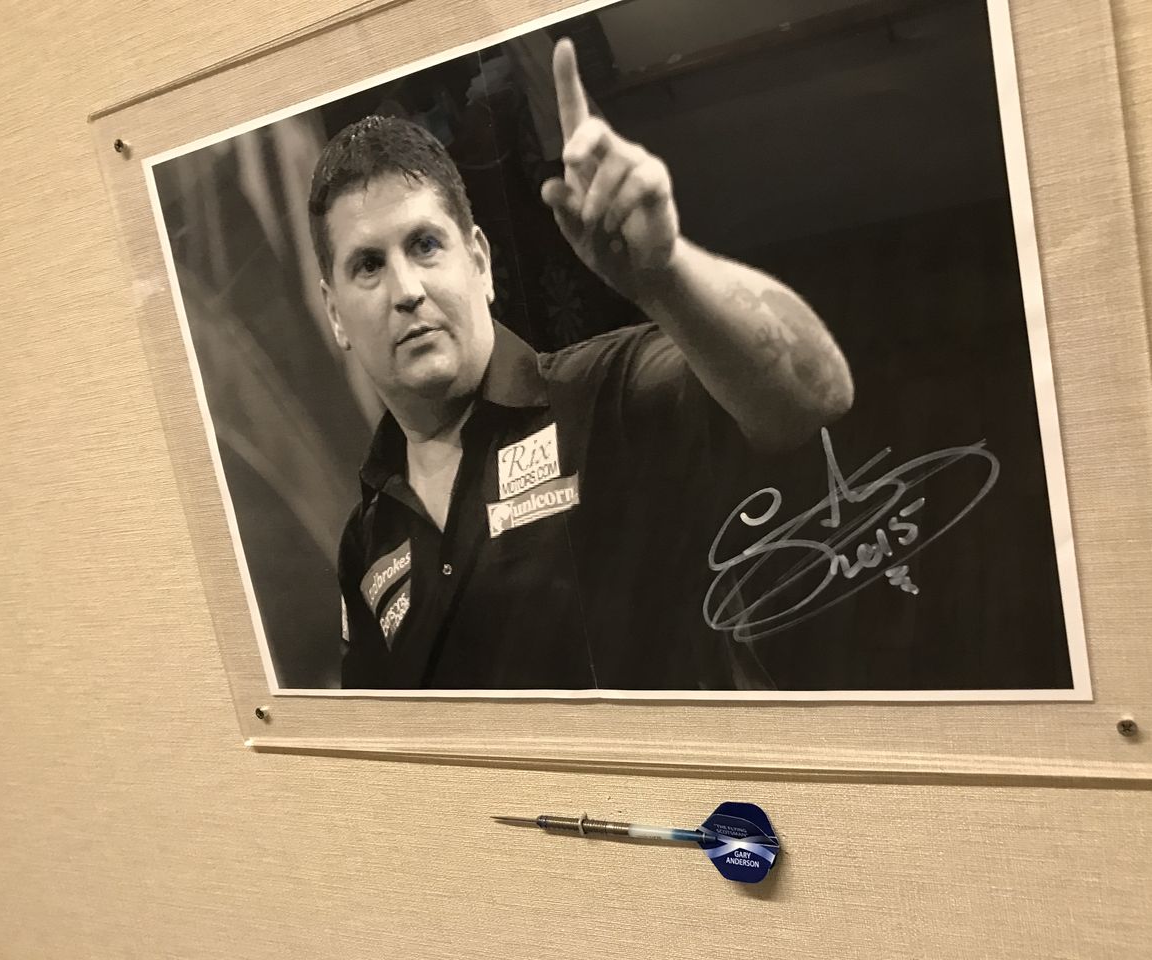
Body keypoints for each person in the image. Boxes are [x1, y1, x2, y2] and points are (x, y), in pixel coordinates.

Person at [309, 39, 853, 689]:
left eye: (426, 245)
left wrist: (668, 274)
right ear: (335, 313)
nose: (406, 290)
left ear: (479, 261)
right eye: (368, 265)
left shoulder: (604, 396)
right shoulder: (366, 537)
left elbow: (817, 393)